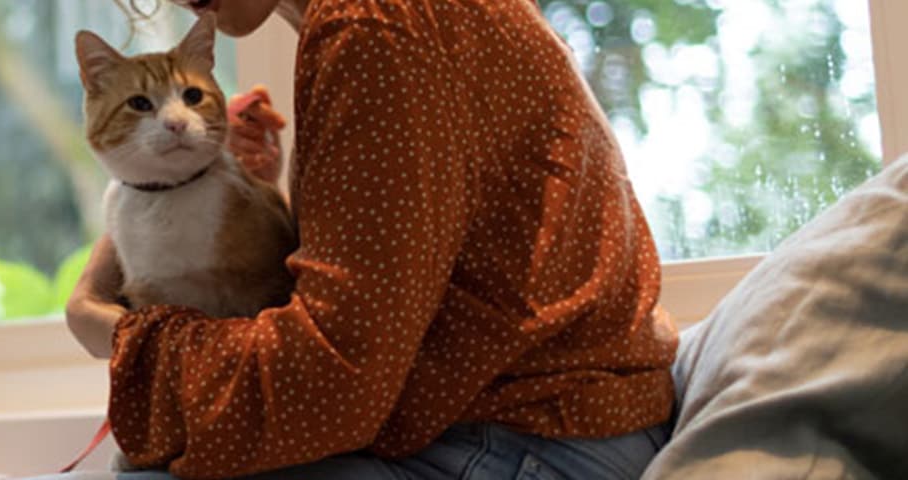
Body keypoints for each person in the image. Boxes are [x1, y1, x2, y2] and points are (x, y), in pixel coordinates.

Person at [60, 0, 678, 478]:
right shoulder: (376, 25)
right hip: (571, 423)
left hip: (532, 440)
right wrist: (218, 187)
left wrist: (114, 330)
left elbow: (332, 383)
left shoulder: (372, 29)